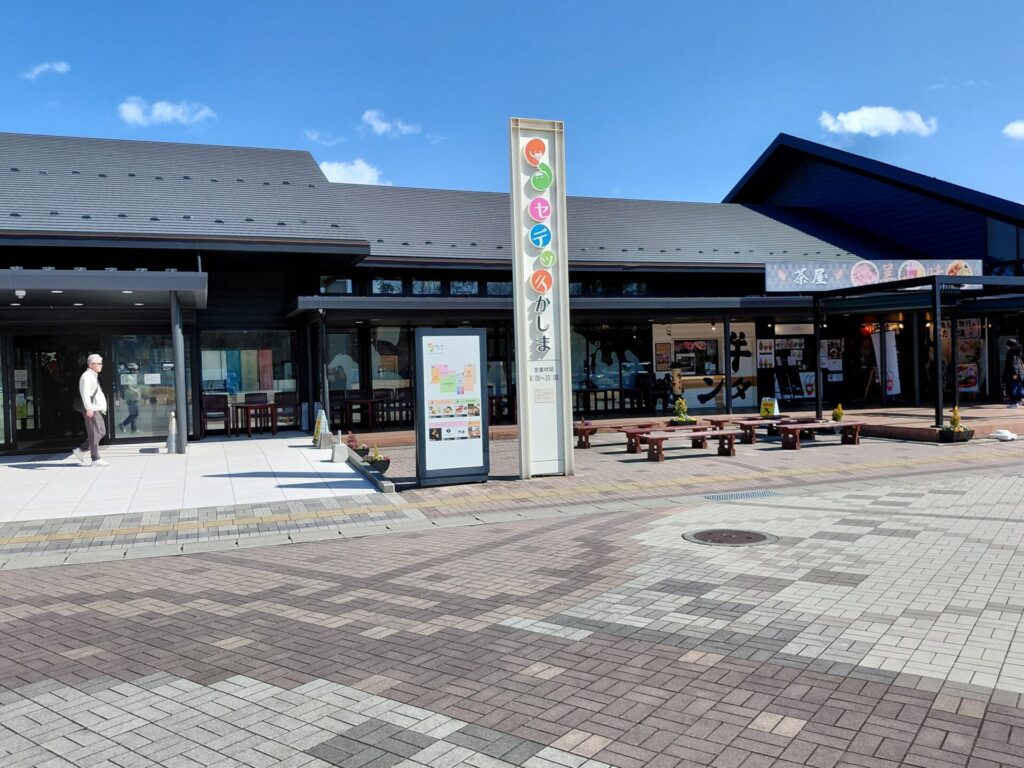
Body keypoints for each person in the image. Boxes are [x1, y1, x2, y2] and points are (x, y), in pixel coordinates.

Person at [72, 354, 109, 466]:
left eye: (101, 363)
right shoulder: (87, 376)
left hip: (96, 408)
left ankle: (81, 450)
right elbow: (85, 393)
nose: (101, 365)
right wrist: (89, 408)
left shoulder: (92, 376)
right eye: (99, 363)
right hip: (92, 409)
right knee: (95, 433)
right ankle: (95, 458)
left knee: (100, 432)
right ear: (91, 364)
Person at [1003, 339, 1024, 408]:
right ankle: (1021, 399)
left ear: (1010, 345)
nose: (1006, 347)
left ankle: (1014, 403)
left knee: (1013, 388)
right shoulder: (1017, 352)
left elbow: (1013, 363)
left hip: (1013, 373)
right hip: (1020, 373)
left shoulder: (1011, 352)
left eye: (1007, 345)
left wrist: (1015, 373)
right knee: (1019, 387)